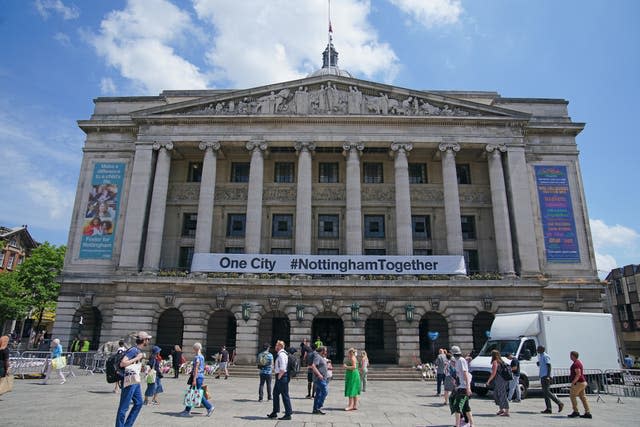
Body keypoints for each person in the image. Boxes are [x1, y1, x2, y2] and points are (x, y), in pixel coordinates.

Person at [115, 331, 150, 427]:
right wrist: (137, 358)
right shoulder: (134, 350)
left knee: (139, 403)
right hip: (129, 380)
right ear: (143, 340)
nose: (149, 341)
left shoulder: (138, 351)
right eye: (148, 339)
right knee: (124, 407)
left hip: (135, 379)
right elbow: (123, 363)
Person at [178, 342, 214, 417]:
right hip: (200, 376)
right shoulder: (202, 357)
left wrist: (194, 379)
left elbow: (196, 368)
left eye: (194, 348)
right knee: (196, 393)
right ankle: (187, 410)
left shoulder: (197, 357)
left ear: (196, 349)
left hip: (197, 377)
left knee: (194, 394)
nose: (193, 350)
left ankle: (209, 407)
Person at [267, 340, 293, 420]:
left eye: (276, 345)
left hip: (282, 376)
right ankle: (275, 412)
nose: (275, 347)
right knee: (275, 394)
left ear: (280, 346)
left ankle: (288, 414)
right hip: (281, 376)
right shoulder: (281, 354)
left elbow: (283, 368)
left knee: (285, 395)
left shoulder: (281, 355)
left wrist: (279, 377)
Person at [449, 345, 474, 427]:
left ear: (453, 353)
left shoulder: (461, 360)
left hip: (463, 387)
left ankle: (457, 425)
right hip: (461, 387)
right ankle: (472, 424)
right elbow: (459, 374)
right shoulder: (458, 361)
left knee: (457, 407)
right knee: (466, 407)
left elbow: (465, 373)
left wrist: (468, 387)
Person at [537, 345, 564, 414]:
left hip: (546, 376)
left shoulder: (545, 356)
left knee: (547, 391)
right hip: (543, 375)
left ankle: (559, 403)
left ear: (542, 349)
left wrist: (548, 376)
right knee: (545, 393)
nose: (537, 350)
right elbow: (543, 365)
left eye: (538, 349)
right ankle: (548, 408)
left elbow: (549, 366)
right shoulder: (541, 356)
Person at [567, 351, 592, 419]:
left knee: (572, 396)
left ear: (573, 356)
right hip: (582, 382)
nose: (570, 356)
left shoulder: (576, 364)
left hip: (578, 383)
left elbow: (578, 374)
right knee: (583, 398)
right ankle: (587, 412)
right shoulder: (578, 362)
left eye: (570, 355)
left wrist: (573, 382)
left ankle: (576, 411)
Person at [486, 349, 510, 417]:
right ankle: (501, 409)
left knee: (502, 394)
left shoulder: (495, 362)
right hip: (502, 380)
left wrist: (488, 381)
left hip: (500, 380)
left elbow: (493, 373)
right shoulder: (501, 361)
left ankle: (506, 411)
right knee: (496, 394)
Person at [310, 346, 329, 415]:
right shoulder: (317, 356)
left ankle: (315, 410)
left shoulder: (321, 357)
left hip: (323, 378)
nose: (326, 352)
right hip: (319, 379)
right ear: (322, 351)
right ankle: (318, 406)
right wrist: (319, 375)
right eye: (325, 351)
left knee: (318, 394)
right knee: (325, 391)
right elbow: (313, 366)